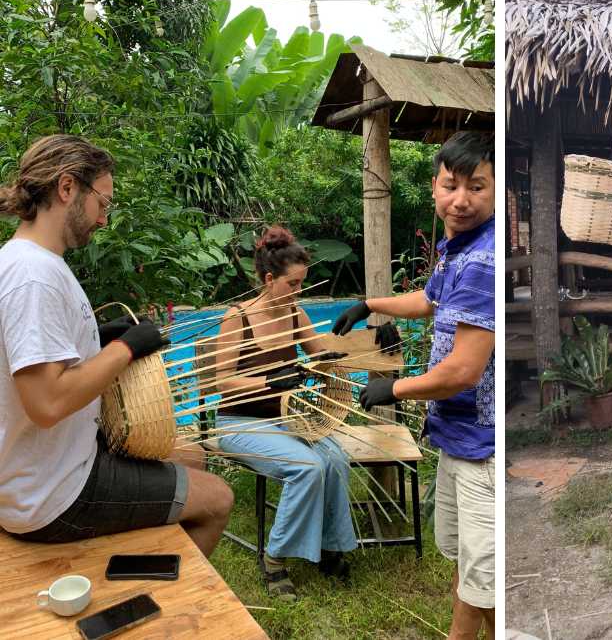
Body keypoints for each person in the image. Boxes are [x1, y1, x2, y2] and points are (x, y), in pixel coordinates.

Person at [0, 134, 233, 556]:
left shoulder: (32, 264)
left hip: (56, 466)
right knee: (217, 499)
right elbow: (47, 402)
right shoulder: (33, 276)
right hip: (54, 493)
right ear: (67, 187)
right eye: (102, 204)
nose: (104, 219)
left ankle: (147, 571)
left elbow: (50, 359)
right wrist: (125, 348)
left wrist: (100, 336)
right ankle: (169, 604)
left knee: (193, 455)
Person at [332, 131, 496, 639]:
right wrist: (372, 304)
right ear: (434, 187)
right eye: (452, 185)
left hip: (482, 444)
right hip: (457, 438)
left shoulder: (484, 259)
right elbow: (429, 300)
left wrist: (396, 389)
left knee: (482, 579)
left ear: (496, 190)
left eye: (477, 187)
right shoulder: (457, 247)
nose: (461, 200)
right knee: (466, 564)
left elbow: (464, 371)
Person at [214, 225, 357, 601]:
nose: (298, 292)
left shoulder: (296, 314)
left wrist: (343, 352)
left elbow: (320, 356)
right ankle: (274, 559)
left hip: (286, 419)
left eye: (301, 285)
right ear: (268, 279)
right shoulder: (237, 317)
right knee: (307, 468)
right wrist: (268, 382)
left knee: (336, 459)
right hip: (239, 423)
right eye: (292, 284)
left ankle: (329, 547)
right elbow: (222, 381)